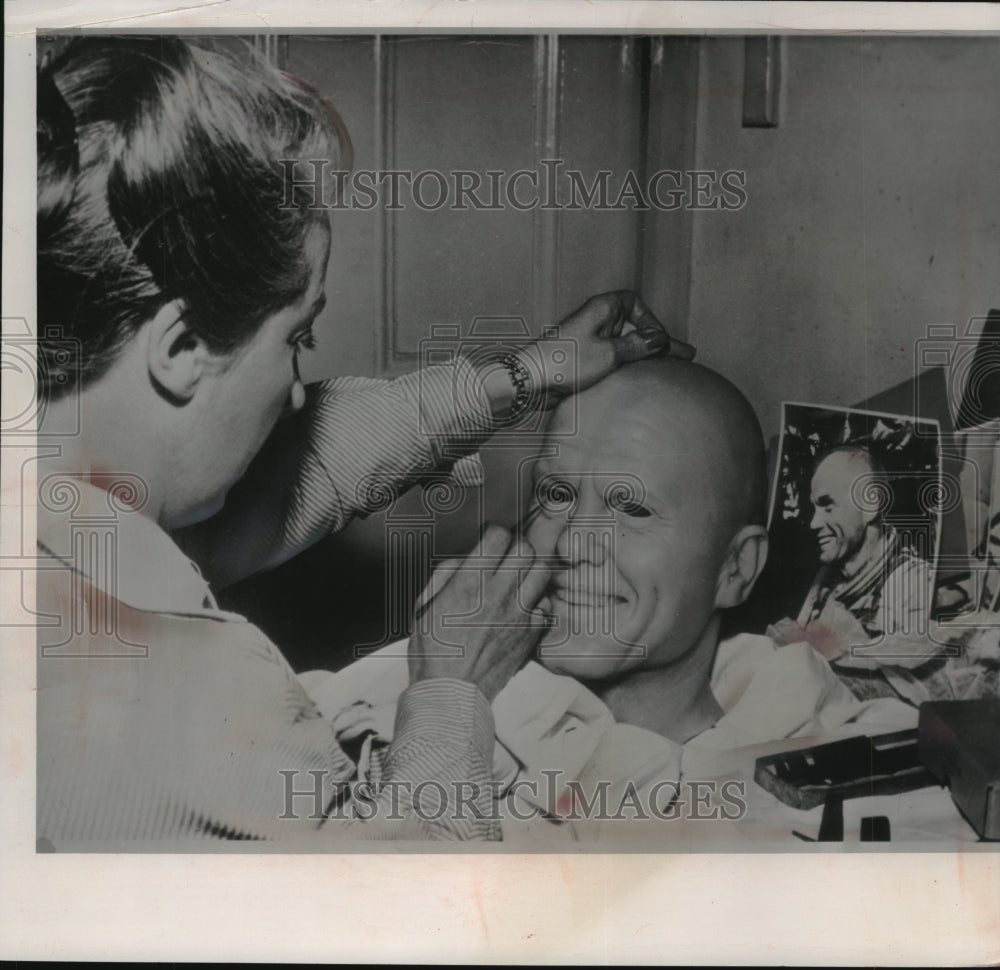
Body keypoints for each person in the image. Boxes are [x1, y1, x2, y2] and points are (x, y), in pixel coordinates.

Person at [33, 36, 683, 848]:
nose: (299, 384)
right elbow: (401, 916)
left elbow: (291, 470)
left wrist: (528, 373)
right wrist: (454, 692)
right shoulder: (179, 682)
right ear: (182, 348)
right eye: (297, 340)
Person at [304, 360, 918, 843]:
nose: (571, 541)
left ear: (735, 569)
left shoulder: (814, 742)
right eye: (557, 493)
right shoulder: (427, 688)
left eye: (632, 508)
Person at [771, 446, 942, 703]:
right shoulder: (826, 579)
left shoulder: (914, 584)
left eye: (827, 506)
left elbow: (920, 701)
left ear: (870, 504)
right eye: (814, 508)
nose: (815, 523)